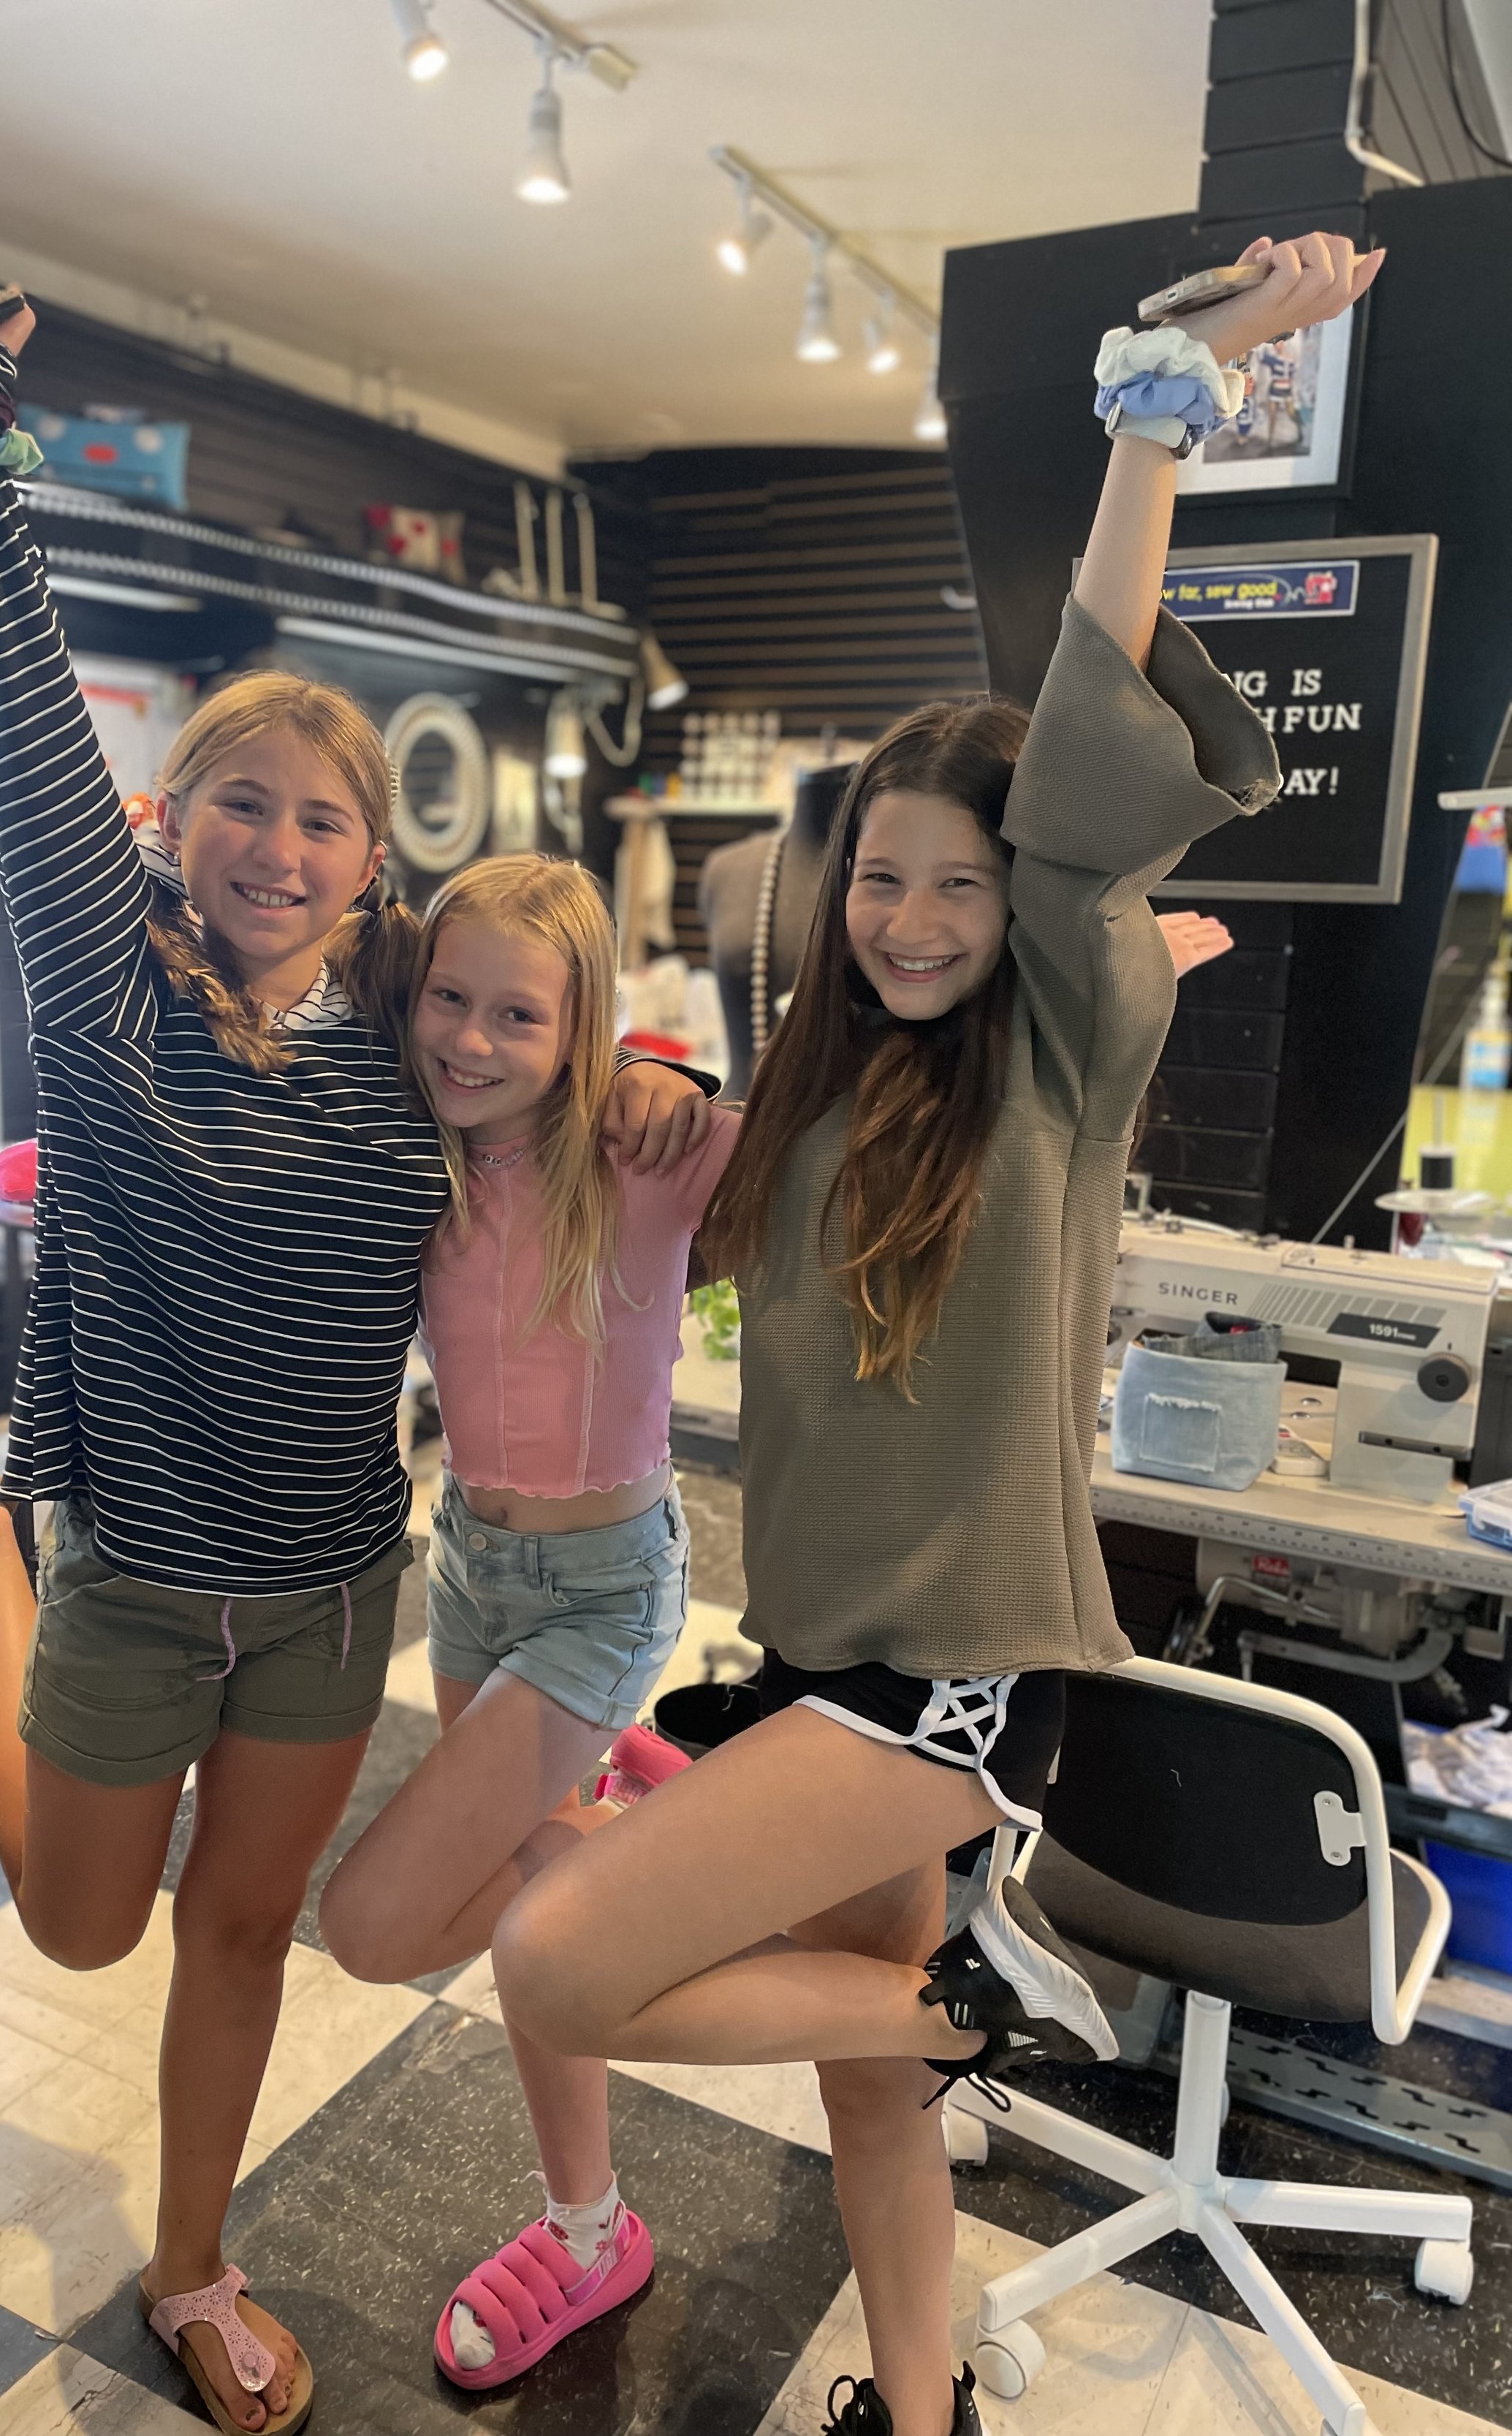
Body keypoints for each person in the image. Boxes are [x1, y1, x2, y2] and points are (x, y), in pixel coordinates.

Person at [485, 232, 1381, 2436]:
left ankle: (978, 2007)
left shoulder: (1059, 1055)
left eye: (959, 883)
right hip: (821, 1650)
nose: (907, 916)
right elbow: (697, 1236)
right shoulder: (821, 1078)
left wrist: (1157, 404)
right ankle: (923, 2400)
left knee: (557, 1956)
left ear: (1025, 901)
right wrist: (631, 1099)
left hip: (953, 1681)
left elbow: (1078, 755)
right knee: (857, 2074)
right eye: (878, 876)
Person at [0, 279, 708, 2436]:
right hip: (132, 1571)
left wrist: (643, 1070)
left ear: (367, 864)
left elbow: (535, 987)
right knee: (79, 1929)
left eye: (323, 821)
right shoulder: (105, 991)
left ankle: (191, 2268)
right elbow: (24, 739)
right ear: (171, 817)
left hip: (330, 1593)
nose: (279, 846)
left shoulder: (410, 1032)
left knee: (238, 1938)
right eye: (240, 803)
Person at [315, 854, 737, 2388]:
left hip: (605, 1588)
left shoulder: (639, 1157)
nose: (472, 1039)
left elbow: (829, 1129)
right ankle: (588, 2224)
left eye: (520, 1015)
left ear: (582, 1029)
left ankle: (668, 1843)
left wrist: (680, 1081)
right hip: (469, 1571)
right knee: (524, 1929)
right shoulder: (410, 1147)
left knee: (380, 1925)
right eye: (451, 998)